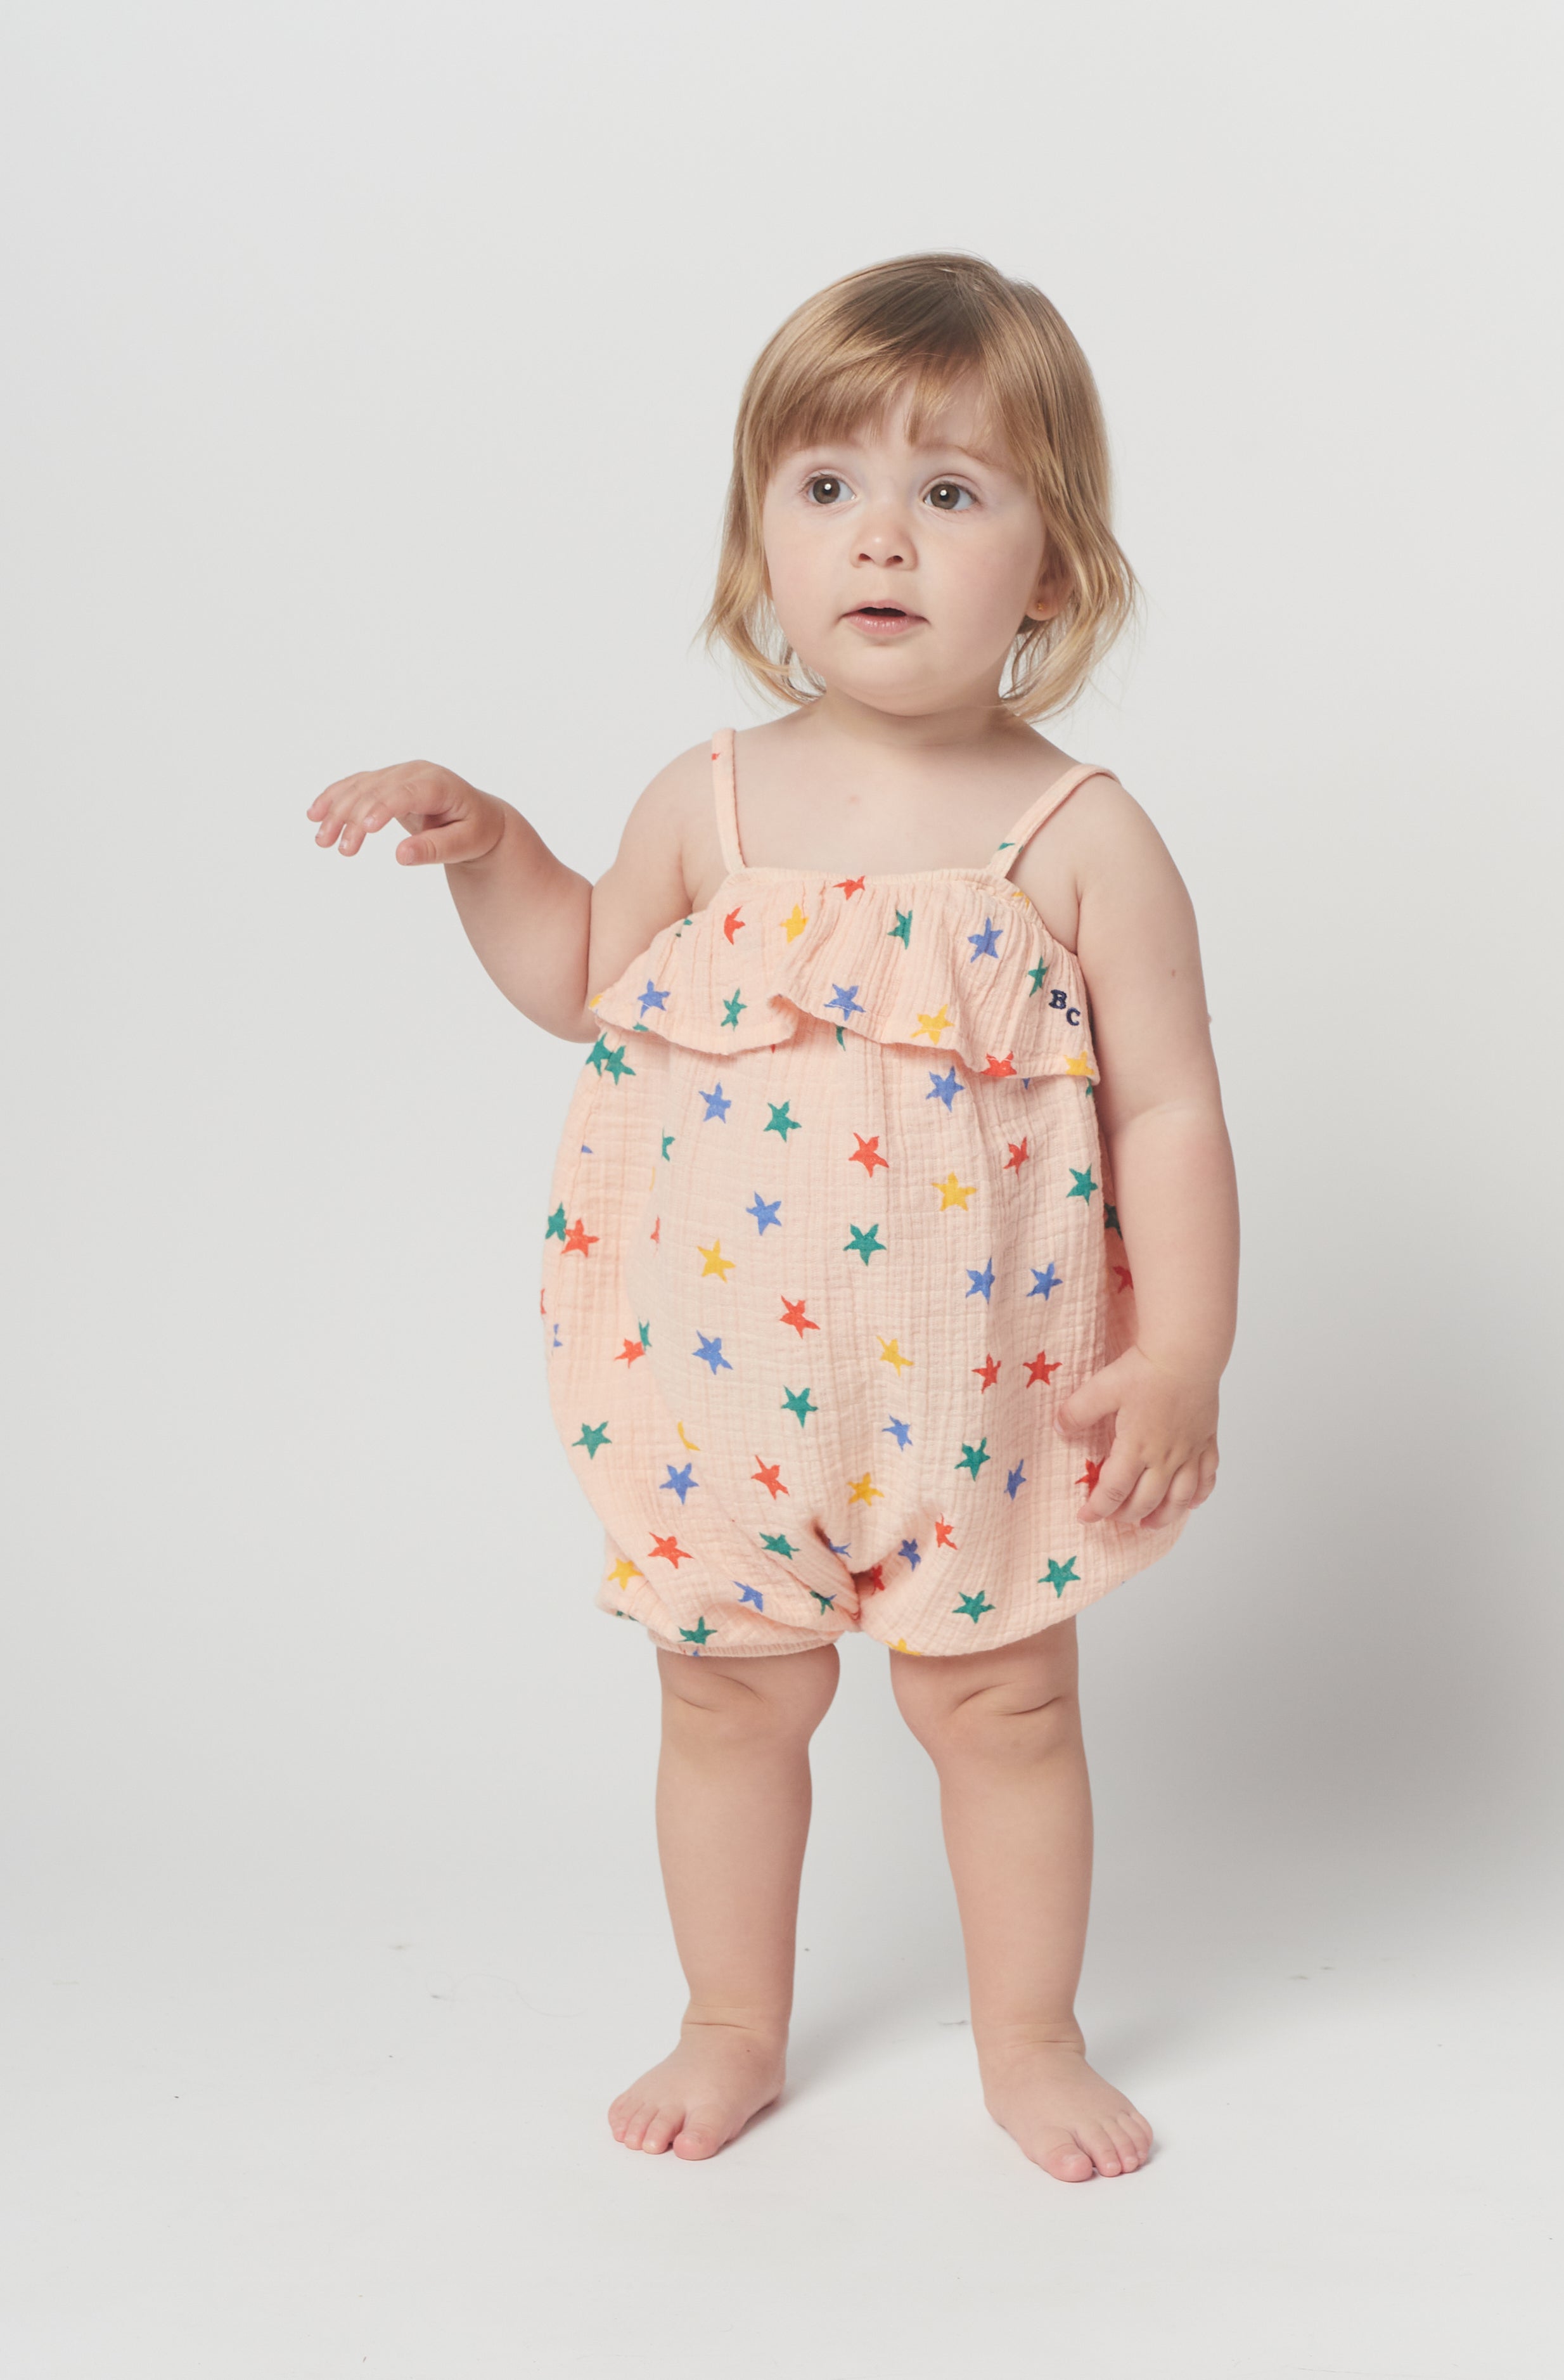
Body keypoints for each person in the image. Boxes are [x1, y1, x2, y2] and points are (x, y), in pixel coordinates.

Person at [307, 252, 1239, 2184]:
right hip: (725, 1378)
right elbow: (585, 980)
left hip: (988, 1389)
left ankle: (1031, 2034)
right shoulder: (709, 801)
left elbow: (1171, 1107)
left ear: (1053, 572)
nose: (879, 537)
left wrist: (1187, 1353)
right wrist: (495, 848)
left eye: (950, 492)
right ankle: (729, 2015)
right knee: (727, 1699)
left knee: (1003, 1702)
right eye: (826, 487)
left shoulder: (1078, 835)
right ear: (760, 538)